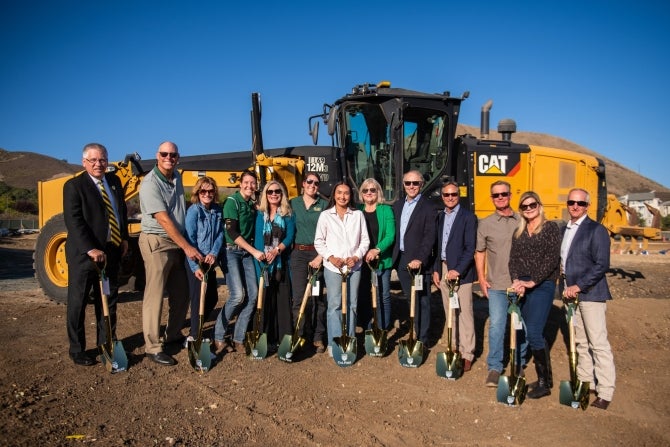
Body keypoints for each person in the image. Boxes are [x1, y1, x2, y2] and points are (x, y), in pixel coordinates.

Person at [139, 141, 204, 366]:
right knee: (155, 295)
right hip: (158, 241)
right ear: (157, 156)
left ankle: (173, 333)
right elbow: (163, 219)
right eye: (165, 154)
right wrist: (187, 246)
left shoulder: (176, 177)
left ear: (178, 157)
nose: (169, 158)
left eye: (173, 155)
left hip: (176, 242)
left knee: (182, 292)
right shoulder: (150, 183)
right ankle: (153, 347)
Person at [63, 143, 129, 366]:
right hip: (84, 257)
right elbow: (74, 221)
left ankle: (106, 343)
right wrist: (90, 248)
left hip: (110, 254)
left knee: (108, 300)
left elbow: (121, 212)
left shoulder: (114, 182)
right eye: (93, 160)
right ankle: (77, 349)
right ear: (84, 162)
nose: (98, 164)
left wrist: (125, 238)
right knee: (78, 302)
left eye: (102, 160)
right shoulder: (74, 186)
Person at [560, 188, 616, 410]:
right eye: (571, 202)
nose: (575, 206)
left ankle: (605, 391)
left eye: (580, 203)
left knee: (598, 343)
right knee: (580, 341)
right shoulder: (566, 229)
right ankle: (586, 383)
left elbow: (602, 264)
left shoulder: (596, 230)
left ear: (587, 206)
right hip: (569, 293)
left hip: (590, 294)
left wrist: (579, 285)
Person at [508, 191, 561, 399]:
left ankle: (544, 382)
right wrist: (516, 280)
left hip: (542, 285)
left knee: (535, 333)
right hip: (522, 285)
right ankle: (540, 378)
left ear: (539, 205)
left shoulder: (550, 228)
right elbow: (513, 259)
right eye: (524, 206)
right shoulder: (519, 230)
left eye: (532, 205)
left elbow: (552, 259)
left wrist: (533, 281)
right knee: (524, 329)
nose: (529, 209)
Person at [475, 181, 524, 386]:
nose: (500, 197)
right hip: (496, 285)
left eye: (504, 194)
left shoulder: (522, 221)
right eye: (496, 195)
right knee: (496, 326)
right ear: (492, 198)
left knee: (521, 326)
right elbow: (480, 252)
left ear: (510, 195)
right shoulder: (485, 223)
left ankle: (518, 363)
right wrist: (482, 278)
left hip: (520, 285)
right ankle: (495, 367)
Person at [314, 181, 369, 355]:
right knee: (335, 304)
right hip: (333, 268)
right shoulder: (325, 216)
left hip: (354, 267)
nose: (342, 196)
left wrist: (356, 256)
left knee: (352, 304)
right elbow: (319, 241)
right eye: (339, 193)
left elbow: (365, 240)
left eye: (346, 193)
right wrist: (331, 257)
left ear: (350, 195)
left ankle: (350, 341)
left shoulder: (358, 215)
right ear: (334, 195)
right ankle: (334, 343)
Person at [213, 170, 265, 354]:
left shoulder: (252, 205)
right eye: (247, 182)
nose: (250, 186)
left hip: (247, 253)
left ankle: (238, 338)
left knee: (253, 295)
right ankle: (218, 336)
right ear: (240, 183)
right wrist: (254, 252)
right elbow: (233, 233)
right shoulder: (232, 202)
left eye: (253, 183)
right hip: (232, 252)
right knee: (237, 295)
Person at [431, 181, 477, 372]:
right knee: (450, 310)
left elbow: (470, 247)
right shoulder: (440, 217)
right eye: (447, 195)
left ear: (459, 195)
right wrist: (436, 269)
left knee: (464, 312)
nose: (450, 198)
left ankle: (467, 353)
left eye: (454, 194)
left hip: (460, 272)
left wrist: (457, 270)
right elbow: (437, 246)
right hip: (443, 268)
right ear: (442, 197)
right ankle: (454, 346)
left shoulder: (468, 217)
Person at [392, 170, 437, 347]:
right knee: (411, 299)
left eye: (415, 183)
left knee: (422, 300)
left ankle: (423, 339)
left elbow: (429, 237)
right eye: (408, 183)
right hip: (402, 259)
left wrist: (420, 258)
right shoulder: (397, 205)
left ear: (422, 184)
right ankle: (414, 331)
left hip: (417, 262)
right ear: (403, 185)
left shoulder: (429, 207)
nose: (411, 186)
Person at [289, 173, 329, 353]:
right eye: (310, 182)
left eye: (316, 183)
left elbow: (330, 233)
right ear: (303, 184)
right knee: (298, 298)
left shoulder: (324, 205)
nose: (313, 185)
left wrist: (321, 256)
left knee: (317, 297)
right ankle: (300, 334)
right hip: (298, 254)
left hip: (317, 254)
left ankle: (318, 336)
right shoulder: (292, 203)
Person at [253, 181, 295, 350]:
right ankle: (266, 339)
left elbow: (290, 236)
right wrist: (261, 258)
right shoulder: (260, 214)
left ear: (282, 194)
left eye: (277, 191)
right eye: (270, 191)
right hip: (264, 264)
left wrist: (277, 251)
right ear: (266, 194)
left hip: (280, 263)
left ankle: (284, 340)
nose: (274, 194)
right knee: (265, 301)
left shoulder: (287, 214)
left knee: (283, 301)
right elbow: (257, 238)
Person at [184, 176, 224, 347]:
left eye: (210, 191)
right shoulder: (194, 211)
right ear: (198, 193)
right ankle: (194, 335)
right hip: (195, 261)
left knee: (212, 297)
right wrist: (194, 265)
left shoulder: (217, 210)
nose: (207, 194)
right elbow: (189, 238)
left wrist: (214, 253)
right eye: (203, 191)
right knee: (197, 298)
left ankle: (198, 325)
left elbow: (220, 234)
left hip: (209, 261)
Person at [357, 178, 395, 331]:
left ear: (378, 192)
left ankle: (382, 327)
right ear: (361, 193)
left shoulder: (385, 210)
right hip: (361, 260)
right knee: (363, 293)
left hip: (381, 260)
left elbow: (390, 235)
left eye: (373, 190)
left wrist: (376, 249)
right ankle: (366, 326)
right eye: (365, 190)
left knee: (383, 296)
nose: (369, 193)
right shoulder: (357, 211)